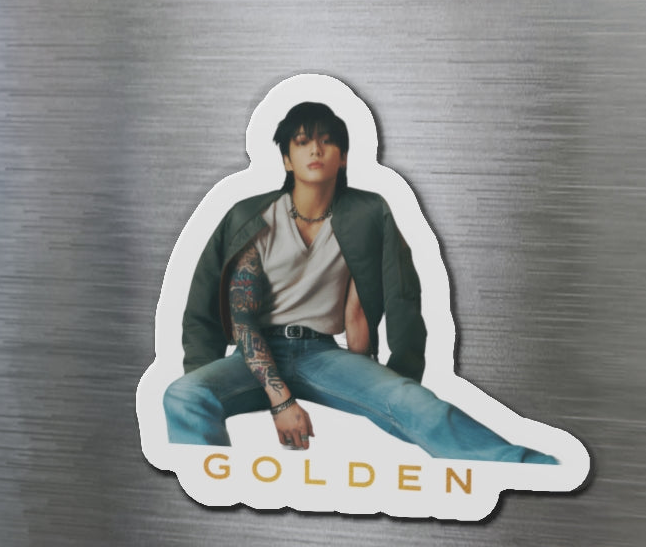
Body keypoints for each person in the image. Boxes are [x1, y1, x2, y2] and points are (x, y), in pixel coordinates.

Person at [163, 101, 556, 463]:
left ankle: (530, 468)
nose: (315, 150)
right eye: (302, 142)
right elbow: (240, 319)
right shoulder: (253, 217)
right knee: (183, 395)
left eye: (327, 141)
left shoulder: (367, 213)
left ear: (344, 156)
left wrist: (399, 381)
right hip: (254, 356)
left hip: (322, 354)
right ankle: (211, 486)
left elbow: (399, 297)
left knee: (416, 403)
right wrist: (280, 401)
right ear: (286, 159)